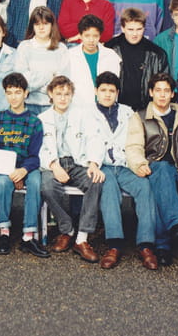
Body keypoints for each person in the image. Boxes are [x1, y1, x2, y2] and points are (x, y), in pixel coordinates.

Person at [124, 72, 178, 267]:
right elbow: (133, 146)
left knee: (162, 181)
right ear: (151, 92)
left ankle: (163, 246)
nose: (162, 95)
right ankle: (176, 227)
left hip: (177, 170)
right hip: (151, 168)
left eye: (166, 91)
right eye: (158, 90)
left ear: (172, 94)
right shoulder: (140, 117)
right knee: (161, 171)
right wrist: (139, 164)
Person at [93, 72, 159, 270]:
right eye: (103, 90)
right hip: (102, 165)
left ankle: (146, 245)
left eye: (111, 91)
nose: (107, 94)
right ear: (96, 91)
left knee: (144, 186)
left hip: (124, 164)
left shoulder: (128, 112)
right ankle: (114, 245)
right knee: (108, 188)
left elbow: (136, 142)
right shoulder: (87, 114)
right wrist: (92, 164)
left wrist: (138, 164)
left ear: (117, 93)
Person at [39, 76, 105, 263]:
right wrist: (53, 165)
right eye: (58, 94)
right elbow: (39, 148)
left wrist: (93, 163)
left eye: (67, 94)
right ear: (51, 94)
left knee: (95, 181)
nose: (62, 98)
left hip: (77, 163)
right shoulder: (42, 119)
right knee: (47, 187)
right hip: (53, 163)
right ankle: (67, 229)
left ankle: (82, 238)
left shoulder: (82, 115)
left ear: (72, 95)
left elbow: (94, 139)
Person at [0, 72, 49, 258]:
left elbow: (35, 155)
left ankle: (28, 236)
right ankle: (4, 231)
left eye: (18, 92)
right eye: (9, 92)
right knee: (3, 182)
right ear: (5, 94)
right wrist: (11, 172)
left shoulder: (34, 121)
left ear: (26, 93)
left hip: (27, 166)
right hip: (5, 166)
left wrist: (23, 171)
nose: (13, 97)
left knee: (35, 182)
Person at [106, 8, 169, 111]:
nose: (134, 34)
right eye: (130, 29)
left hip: (146, 110)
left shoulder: (157, 53)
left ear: (144, 28)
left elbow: (164, 85)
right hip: (115, 110)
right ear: (122, 28)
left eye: (139, 29)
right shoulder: (109, 49)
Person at [13, 6, 70, 115]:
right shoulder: (24, 47)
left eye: (45, 24)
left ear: (52, 25)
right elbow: (22, 80)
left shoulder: (61, 49)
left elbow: (62, 81)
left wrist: (35, 82)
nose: (41, 28)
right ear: (32, 26)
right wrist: (49, 76)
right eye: (37, 24)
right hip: (28, 105)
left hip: (53, 106)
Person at [67, 14, 121, 106]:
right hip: (78, 106)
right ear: (80, 35)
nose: (91, 40)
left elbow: (115, 85)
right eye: (87, 36)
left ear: (100, 36)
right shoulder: (70, 56)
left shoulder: (111, 55)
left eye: (95, 36)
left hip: (105, 107)